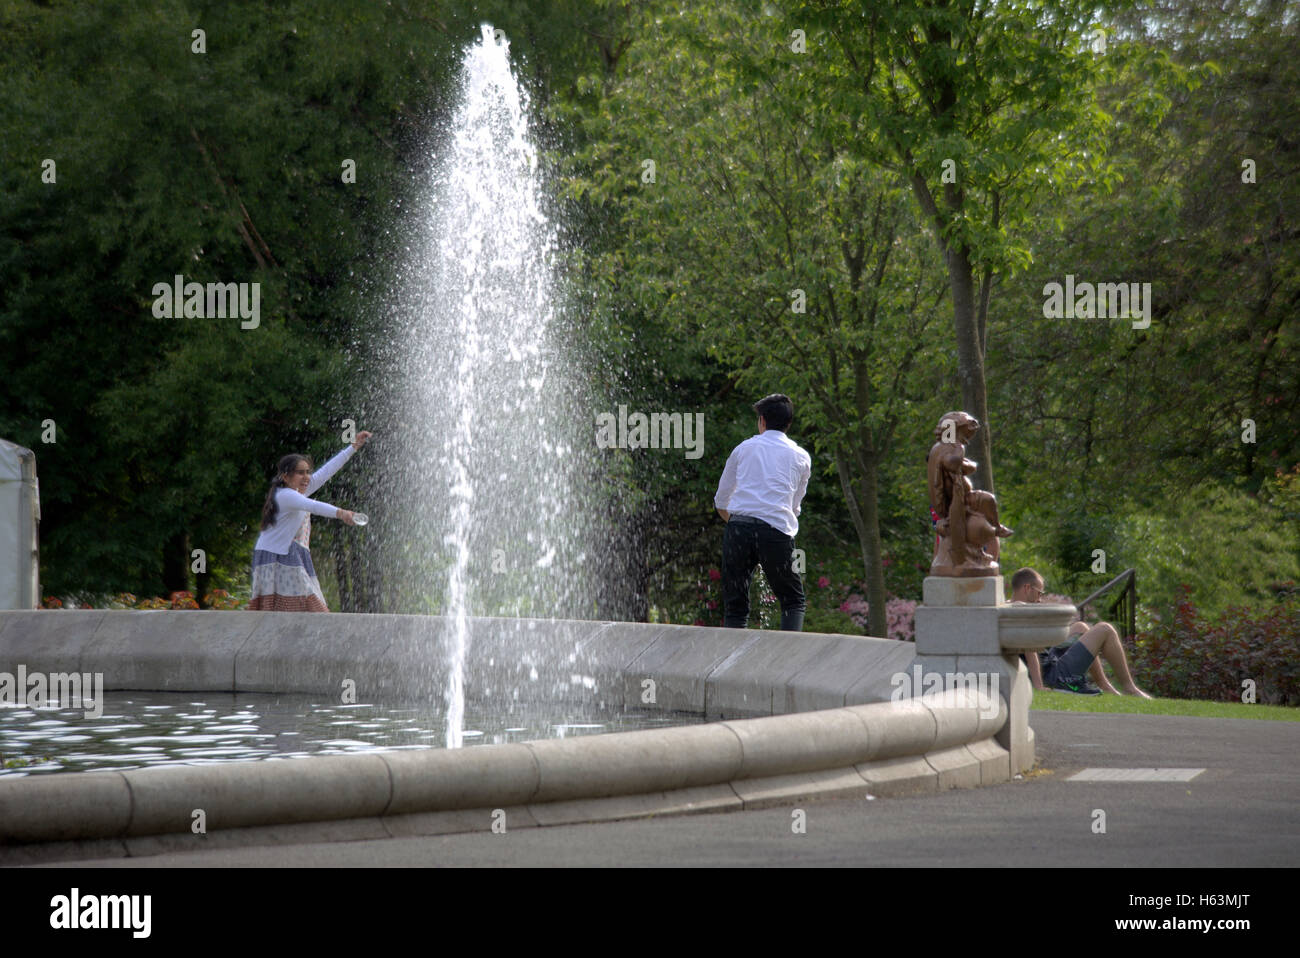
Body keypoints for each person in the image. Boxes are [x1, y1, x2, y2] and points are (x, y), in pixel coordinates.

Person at [714, 394, 811, 632]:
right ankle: (789, 660)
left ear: (762, 421)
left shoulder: (743, 449)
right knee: (793, 600)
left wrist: (739, 522)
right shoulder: (801, 456)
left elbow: (721, 500)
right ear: (788, 424)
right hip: (775, 532)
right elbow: (794, 508)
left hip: (738, 530)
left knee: (735, 605)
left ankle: (730, 661)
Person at [249, 431, 371, 611]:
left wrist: (353, 448)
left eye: (307, 472)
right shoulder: (285, 495)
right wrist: (342, 513)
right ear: (285, 476)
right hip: (275, 556)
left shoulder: (299, 490)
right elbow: (313, 506)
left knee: (304, 606)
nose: (306, 477)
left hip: (292, 553)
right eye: (300, 473)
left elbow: (327, 471)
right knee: (307, 606)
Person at [1010, 567, 1153, 697]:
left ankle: (1105, 685)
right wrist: (1039, 686)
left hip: (1050, 661)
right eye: (1039, 593)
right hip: (1054, 676)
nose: (1040, 599)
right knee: (1105, 629)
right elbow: (1030, 650)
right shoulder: (1020, 610)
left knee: (1080, 627)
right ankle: (1130, 688)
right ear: (1027, 588)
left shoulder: (1011, 607)